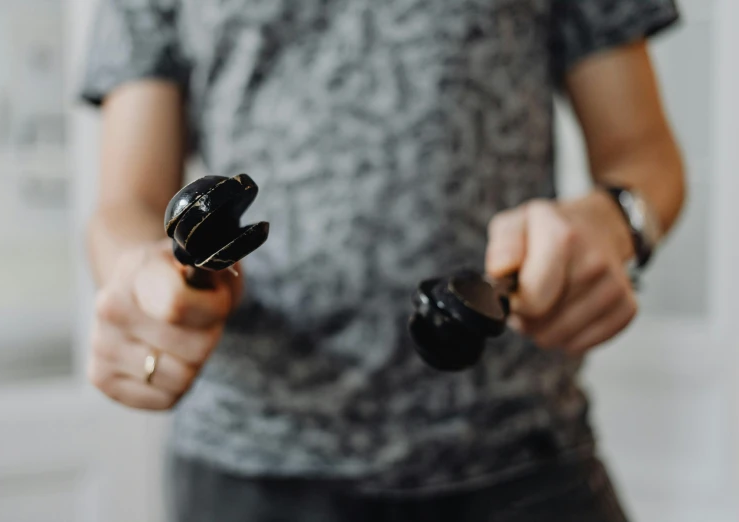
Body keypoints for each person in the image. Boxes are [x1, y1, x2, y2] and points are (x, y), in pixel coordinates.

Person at [80, 1, 686, 520]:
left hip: (522, 451)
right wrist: (143, 281)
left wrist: (615, 224)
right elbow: (127, 202)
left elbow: (644, 154)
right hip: (251, 465)